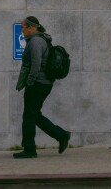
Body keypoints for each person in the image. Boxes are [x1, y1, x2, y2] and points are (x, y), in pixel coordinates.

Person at [14, 16, 70, 158]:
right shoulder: (41, 39)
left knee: (28, 116)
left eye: (23, 27)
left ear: (31, 27)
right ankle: (61, 135)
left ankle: (29, 149)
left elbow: (36, 64)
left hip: (38, 84)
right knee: (34, 115)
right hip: (43, 83)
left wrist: (30, 82)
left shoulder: (36, 41)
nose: (22, 30)